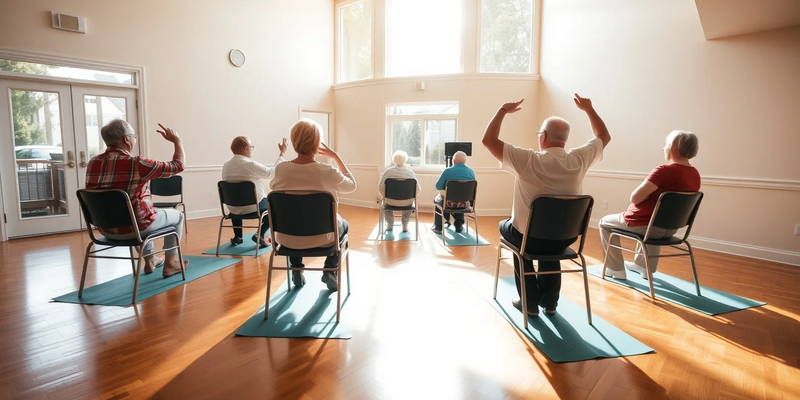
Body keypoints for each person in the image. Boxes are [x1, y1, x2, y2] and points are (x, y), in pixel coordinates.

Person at [481, 94, 610, 317]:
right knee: (549, 238)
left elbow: (488, 140)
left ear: (543, 136)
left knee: (513, 231)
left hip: (531, 239)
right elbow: (603, 136)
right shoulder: (579, 159)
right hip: (565, 238)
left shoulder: (529, 159)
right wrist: (589, 109)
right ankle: (550, 303)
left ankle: (528, 303)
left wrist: (503, 110)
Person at [85, 119, 188, 278]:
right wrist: (177, 140)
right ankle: (171, 264)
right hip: (135, 228)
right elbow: (178, 165)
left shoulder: (93, 163)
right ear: (126, 139)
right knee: (177, 216)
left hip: (105, 230)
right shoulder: (137, 163)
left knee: (139, 214)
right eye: (134, 136)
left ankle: (151, 259)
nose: (134, 139)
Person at [599, 130, 701, 280]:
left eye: (667, 144)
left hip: (646, 226)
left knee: (604, 223)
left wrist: (646, 196)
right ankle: (643, 266)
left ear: (674, 148)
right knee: (656, 219)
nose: (664, 148)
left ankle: (615, 269)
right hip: (671, 228)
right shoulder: (695, 175)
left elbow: (635, 198)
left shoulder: (664, 171)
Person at [270, 119, 356, 291]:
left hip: (286, 239)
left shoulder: (281, 170)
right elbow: (352, 185)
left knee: (295, 216)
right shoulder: (327, 171)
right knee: (343, 224)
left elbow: (273, 188)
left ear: (294, 142)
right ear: (317, 143)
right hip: (323, 239)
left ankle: (296, 269)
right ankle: (330, 269)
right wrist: (335, 156)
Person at [221, 136, 287, 247]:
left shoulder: (226, 166)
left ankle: (238, 237)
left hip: (232, 208)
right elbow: (272, 173)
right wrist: (282, 154)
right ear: (245, 148)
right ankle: (259, 235)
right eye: (251, 147)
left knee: (237, 199)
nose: (252, 149)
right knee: (275, 205)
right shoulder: (250, 165)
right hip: (253, 207)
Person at [432, 151, 476, 234]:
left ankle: (438, 227)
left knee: (439, 200)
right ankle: (459, 225)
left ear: (454, 160)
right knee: (460, 198)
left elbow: (438, 186)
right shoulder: (471, 172)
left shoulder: (447, 171)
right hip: (465, 204)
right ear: (465, 161)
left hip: (449, 203)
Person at [378, 150, 421, 232]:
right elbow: (418, 190)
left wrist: (384, 196)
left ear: (394, 160)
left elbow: (380, 187)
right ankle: (405, 225)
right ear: (405, 160)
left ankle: (390, 224)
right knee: (409, 201)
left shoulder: (388, 172)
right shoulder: (410, 173)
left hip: (390, 201)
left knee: (385, 202)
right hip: (407, 202)